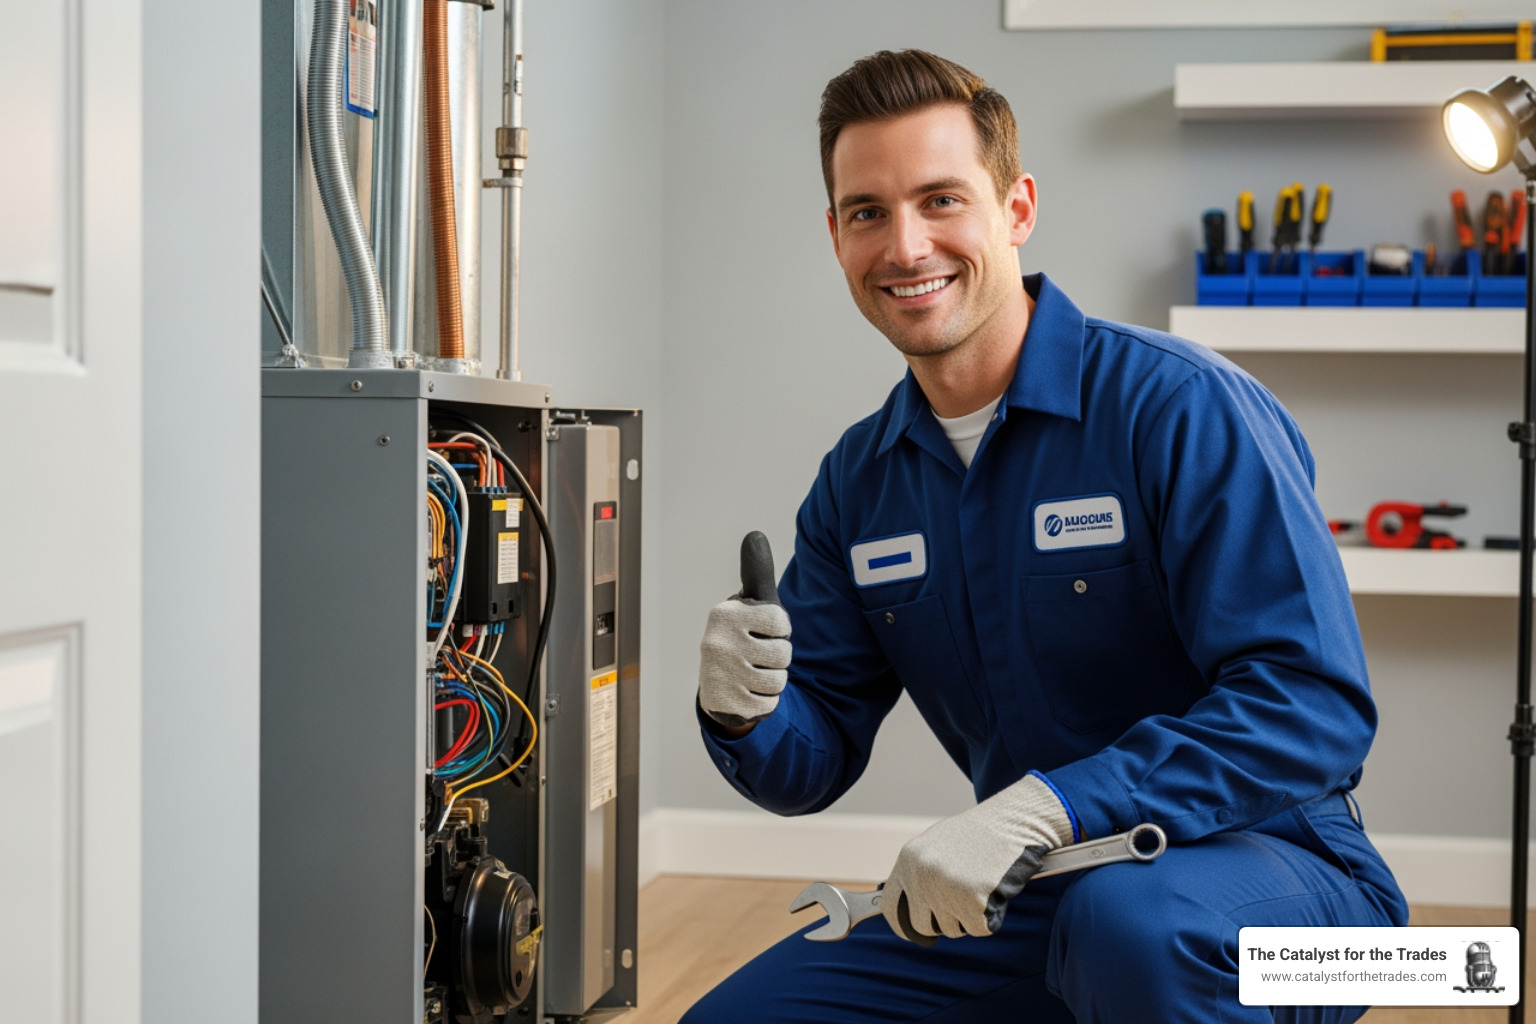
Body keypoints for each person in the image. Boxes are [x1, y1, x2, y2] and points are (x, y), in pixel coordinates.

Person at [684, 49, 1407, 1023]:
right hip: (1042, 888)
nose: (905, 246)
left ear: (1017, 208)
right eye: (868, 212)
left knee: (1131, 929)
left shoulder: (1182, 409)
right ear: (836, 235)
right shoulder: (861, 483)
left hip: (1298, 898)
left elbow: (1310, 706)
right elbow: (808, 761)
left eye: (941, 200)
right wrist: (743, 709)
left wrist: (1050, 804)